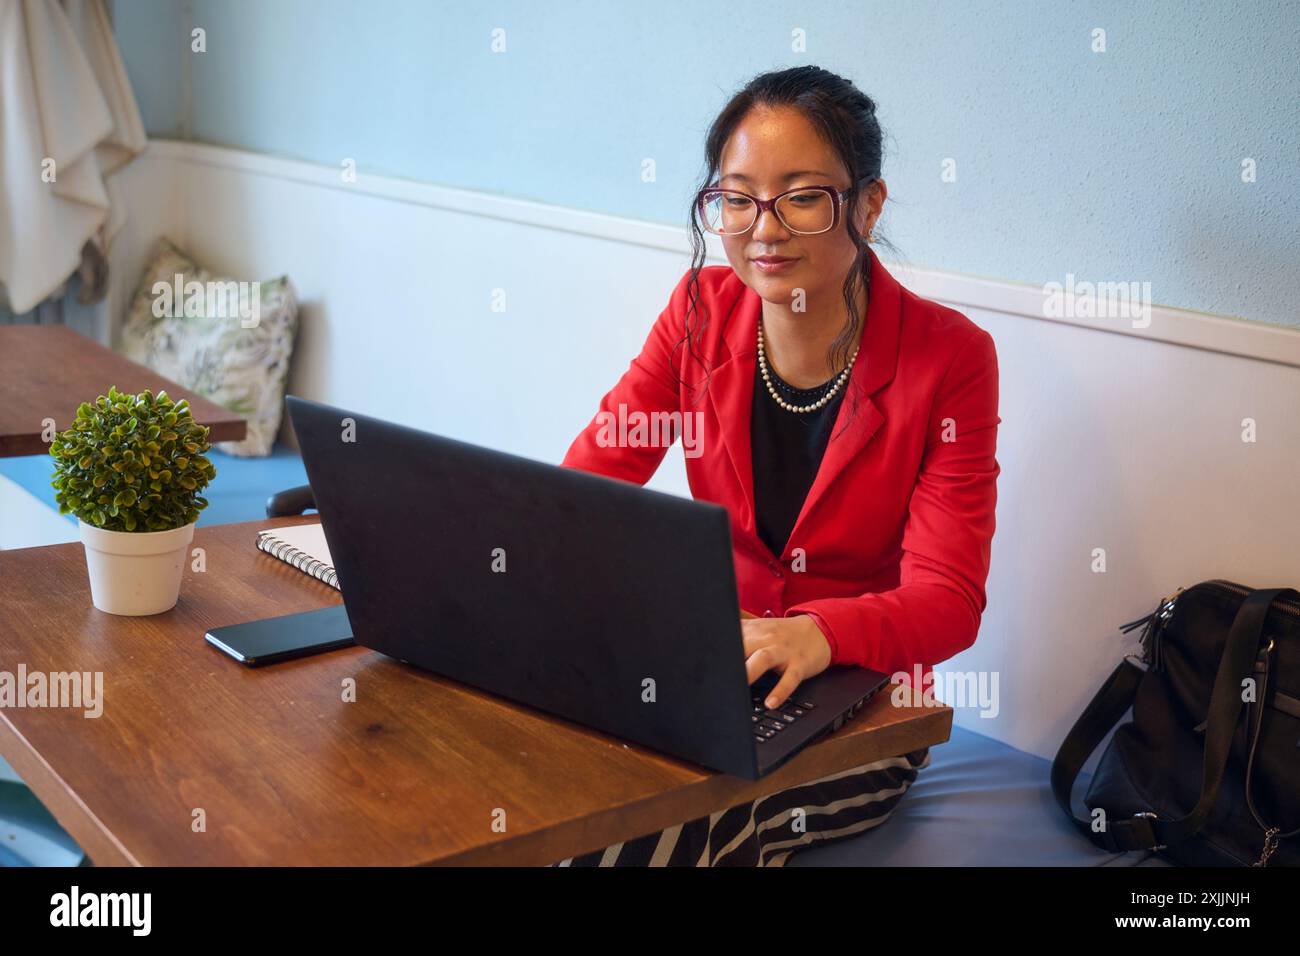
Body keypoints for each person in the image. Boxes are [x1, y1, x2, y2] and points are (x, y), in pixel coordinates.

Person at [557, 65, 1000, 866]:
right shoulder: (698, 310)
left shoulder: (951, 358)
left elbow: (949, 601)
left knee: (675, 826)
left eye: (801, 196)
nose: (762, 229)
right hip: (711, 671)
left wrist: (817, 635)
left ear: (867, 204)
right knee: (553, 787)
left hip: (861, 702)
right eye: (735, 197)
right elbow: (588, 487)